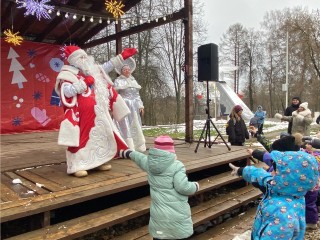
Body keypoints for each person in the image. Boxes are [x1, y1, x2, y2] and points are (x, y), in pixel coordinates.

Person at [55, 46, 137, 177]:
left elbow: (108, 66)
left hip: (98, 112)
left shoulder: (91, 70)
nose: (84, 59)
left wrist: (121, 57)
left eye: (84, 56)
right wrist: (83, 84)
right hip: (81, 116)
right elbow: (66, 92)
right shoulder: (67, 73)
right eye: (81, 57)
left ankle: (98, 162)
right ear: (74, 60)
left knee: (100, 136)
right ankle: (77, 166)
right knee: (82, 138)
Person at [229, 142, 319, 239]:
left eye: (275, 170)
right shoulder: (289, 190)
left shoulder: (282, 216)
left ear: (287, 178)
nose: (270, 172)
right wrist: (241, 170)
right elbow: (262, 176)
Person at [119, 135, 199, 240]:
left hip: (159, 218)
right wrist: (195, 186)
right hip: (177, 217)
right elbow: (182, 187)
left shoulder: (149, 163)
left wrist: (127, 153)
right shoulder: (177, 166)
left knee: (160, 234)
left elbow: (139, 157)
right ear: (172, 151)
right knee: (177, 235)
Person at [113, 63, 146, 152]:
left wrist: (140, 106)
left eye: (128, 69)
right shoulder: (118, 80)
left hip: (134, 106)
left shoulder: (133, 81)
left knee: (135, 124)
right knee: (125, 125)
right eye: (125, 70)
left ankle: (138, 146)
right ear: (121, 72)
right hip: (124, 105)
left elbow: (137, 95)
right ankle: (127, 146)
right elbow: (115, 94)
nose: (127, 71)